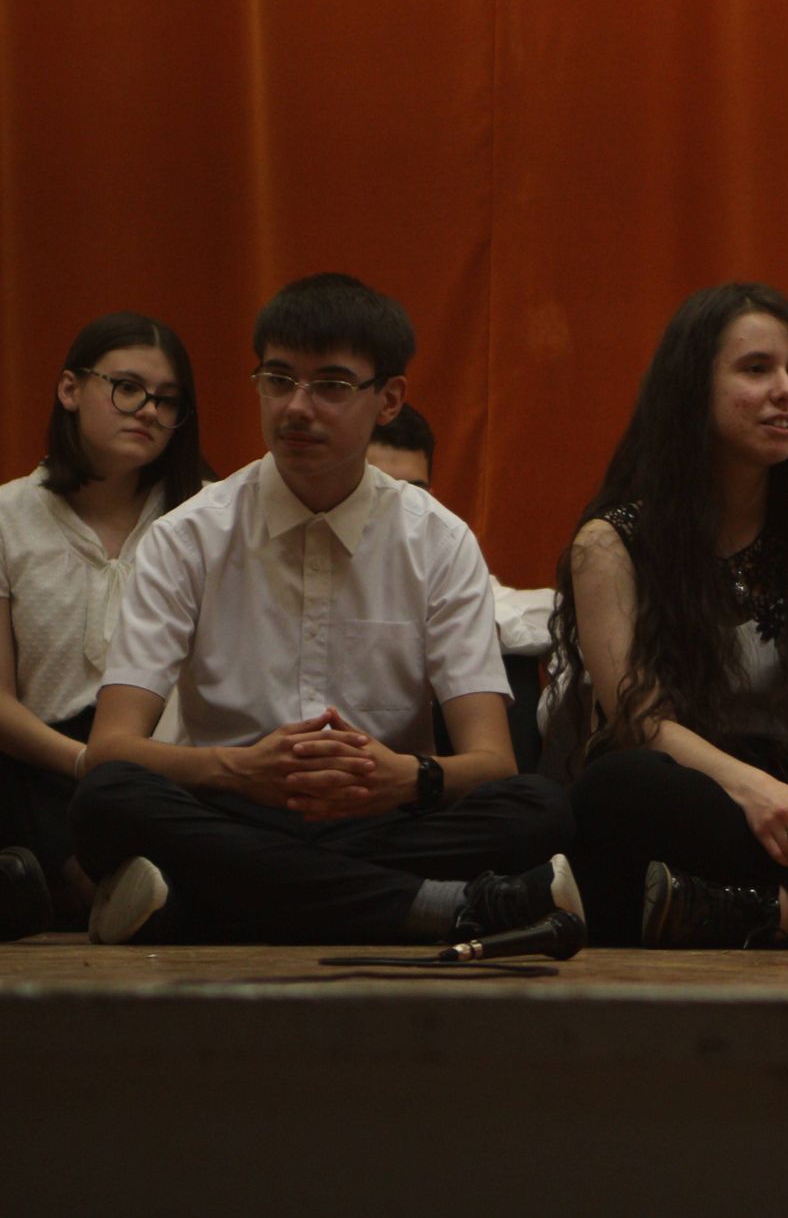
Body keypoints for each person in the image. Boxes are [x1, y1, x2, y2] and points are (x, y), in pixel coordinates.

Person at [70, 273, 577, 945]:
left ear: (388, 399)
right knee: (106, 799)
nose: (296, 407)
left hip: (380, 814)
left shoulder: (438, 540)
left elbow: (492, 762)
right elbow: (111, 748)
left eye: (331, 385)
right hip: (235, 806)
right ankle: (436, 905)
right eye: (278, 379)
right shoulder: (188, 536)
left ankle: (207, 902)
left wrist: (407, 777)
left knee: (539, 809)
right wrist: (241, 771)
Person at [559, 283, 788, 948]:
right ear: (691, 388)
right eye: (756, 369)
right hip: (698, 798)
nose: (786, 391)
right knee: (617, 788)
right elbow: (641, 719)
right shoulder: (611, 545)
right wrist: (750, 790)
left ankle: (763, 913)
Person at [0, 313, 209, 937]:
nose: (148, 411)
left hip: (171, 760)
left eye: (167, 400)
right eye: (127, 388)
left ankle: (72, 890)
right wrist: (86, 761)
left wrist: (132, 766)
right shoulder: (9, 515)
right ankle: (100, 890)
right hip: (43, 758)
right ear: (70, 389)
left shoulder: (210, 513)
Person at [369, 404, 554, 769]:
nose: (398, 507)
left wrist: (468, 629)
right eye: (380, 488)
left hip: (431, 766)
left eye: (413, 491)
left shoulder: (441, 549)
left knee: (504, 658)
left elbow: (554, 609)